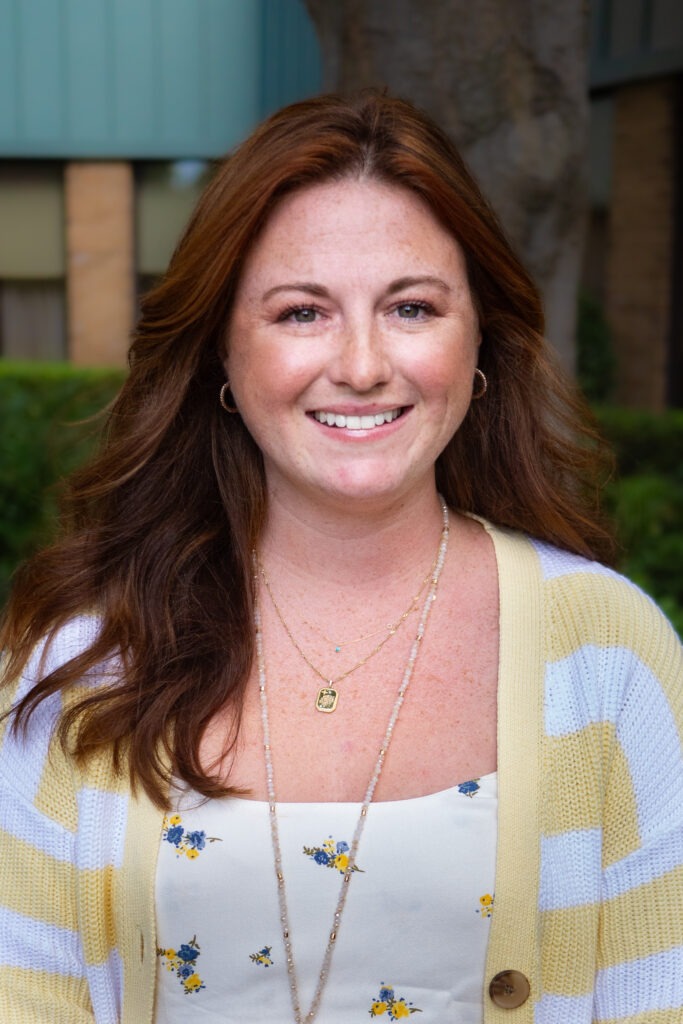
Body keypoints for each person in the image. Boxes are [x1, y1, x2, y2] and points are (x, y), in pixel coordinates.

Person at [0, 91, 681, 1024]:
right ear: (221, 356)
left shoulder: (611, 655)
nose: (361, 364)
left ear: (477, 339)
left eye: (410, 307)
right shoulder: (80, 657)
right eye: (301, 313)